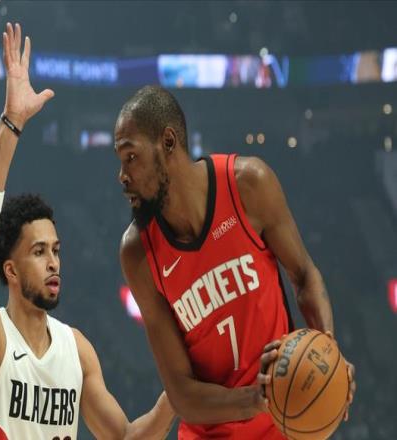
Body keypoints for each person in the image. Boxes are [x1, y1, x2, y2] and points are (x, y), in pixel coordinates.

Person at [0, 23, 175, 439]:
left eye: (55, 250)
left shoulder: (76, 350)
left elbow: (125, 438)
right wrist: (12, 123)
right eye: (38, 252)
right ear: (10, 270)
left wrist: (175, 397)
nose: (54, 262)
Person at [116, 85, 355, 438]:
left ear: (167, 142)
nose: (122, 175)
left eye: (131, 156)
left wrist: (327, 353)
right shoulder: (137, 252)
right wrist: (256, 398)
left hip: (280, 427)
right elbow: (181, 393)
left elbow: (304, 274)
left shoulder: (248, 185)